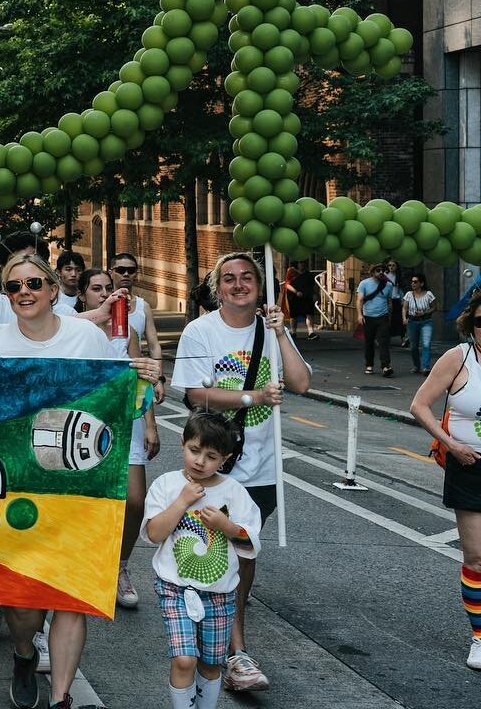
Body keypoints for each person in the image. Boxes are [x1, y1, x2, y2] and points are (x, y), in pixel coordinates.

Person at [0, 253, 146, 709]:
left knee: (71, 596)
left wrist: (148, 379)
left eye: (35, 283)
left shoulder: (86, 336)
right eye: (14, 287)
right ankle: (21, 653)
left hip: (81, 487)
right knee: (24, 607)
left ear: (55, 290)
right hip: (15, 486)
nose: (25, 293)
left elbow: (121, 389)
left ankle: (61, 697)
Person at [173, 252, 312, 693]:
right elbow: (195, 391)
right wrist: (252, 398)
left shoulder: (270, 330)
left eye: (247, 277)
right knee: (213, 553)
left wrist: (281, 332)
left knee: (242, 556)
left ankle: (225, 645)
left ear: (261, 284)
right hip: (214, 469)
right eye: (228, 279)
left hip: (261, 473)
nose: (238, 285)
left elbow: (301, 383)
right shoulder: (201, 331)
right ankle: (233, 651)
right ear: (217, 289)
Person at [143, 413, 262, 709]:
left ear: (226, 458)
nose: (200, 461)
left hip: (219, 594)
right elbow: (154, 533)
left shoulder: (234, 492)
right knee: (184, 660)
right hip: (175, 588)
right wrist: (182, 501)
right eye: (194, 451)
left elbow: (250, 545)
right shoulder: (166, 485)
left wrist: (227, 526)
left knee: (211, 664)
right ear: (183, 443)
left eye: (211, 456)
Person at [74, 268, 162, 610]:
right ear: (84, 295)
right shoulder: (74, 328)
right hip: (88, 424)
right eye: (96, 289)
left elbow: (140, 376)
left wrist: (151, 424)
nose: (105, 293)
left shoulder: (127, 331)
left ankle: (120, 566)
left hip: (127, 420)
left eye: (108, 287)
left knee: (135, 500)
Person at [409, 287, 481, 671]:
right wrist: (450, 444)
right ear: (472, 323)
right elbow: (419, 404)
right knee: (476, 557)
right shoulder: (458, 358)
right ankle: (480, 637)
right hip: (469, 467)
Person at [110, 253, 163, 383]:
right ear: (111, 272)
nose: (126, 274)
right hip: (108, 375)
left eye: (131, 270)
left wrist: (159, 379)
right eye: (121, 270)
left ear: (136, 274)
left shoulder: (143, 306)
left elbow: (154, 345)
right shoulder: (102, 304)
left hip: (136, 375)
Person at [358, 263, 396, 377]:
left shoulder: (388, 285)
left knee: (383, 341)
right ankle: (369, 365)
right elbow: (359, 300)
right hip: (368, 317)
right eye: (378, 270)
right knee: (369, 342)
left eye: (382, 270)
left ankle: (385, 366)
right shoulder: (364, 284)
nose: (380, 272)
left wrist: (390, 315)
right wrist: (359, 315)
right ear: (372, 272)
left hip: (382, 317)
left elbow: (389, 301)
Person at [404, 273, 438, 375]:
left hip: (426, 321)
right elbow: (404, 308)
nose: (413, 283)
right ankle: (416, 366)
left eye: (415, 282)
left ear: (421, 283)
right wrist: (404, 318)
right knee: (413, 346)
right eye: (412, 282)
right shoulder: (409, 294)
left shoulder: (429, 294)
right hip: (412, 322)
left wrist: (425, 312)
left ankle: (426, 367)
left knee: (426, 344)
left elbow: (434, 307)